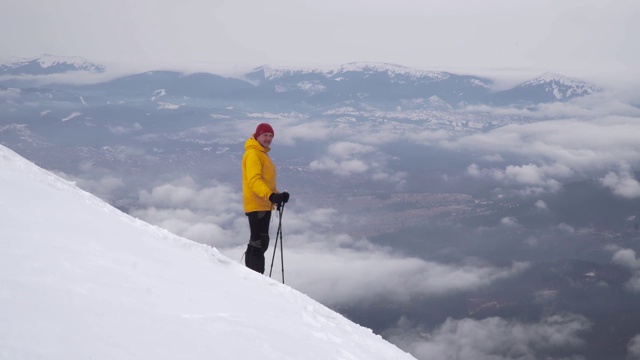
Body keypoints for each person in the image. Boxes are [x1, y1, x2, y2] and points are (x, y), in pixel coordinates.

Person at [241, 123, 289, 273]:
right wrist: (272, 196)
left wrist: (278, 195)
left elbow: (265, 181)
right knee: (259, 242)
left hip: (262, 203)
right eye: (265, 135)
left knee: (258, 241)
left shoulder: (261, 153)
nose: (268, 138)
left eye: (270, 136)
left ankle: (249, 275)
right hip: (257, 204)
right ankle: (255, 278)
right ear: (257, 136)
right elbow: (254, 181)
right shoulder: (253, 154)